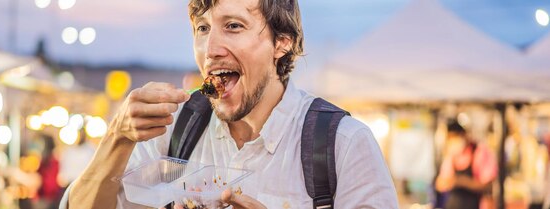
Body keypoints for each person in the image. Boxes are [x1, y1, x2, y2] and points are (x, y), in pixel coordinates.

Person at [66, 0, 398, 208]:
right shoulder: (173, 128)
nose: (210, 49)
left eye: (233, 26)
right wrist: (118, 138)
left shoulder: (344, 144)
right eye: (202, 28)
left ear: (281, 42)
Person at [436, 121, 497, 209]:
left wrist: (462, 181)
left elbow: (489, 185)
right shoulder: (452, 155)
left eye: (454, 137)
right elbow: (440, 183)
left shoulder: (480, 152)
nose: (453, 141)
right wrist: (446, 183)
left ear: (463, 135)